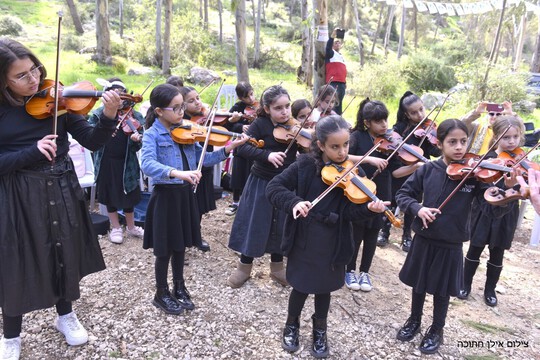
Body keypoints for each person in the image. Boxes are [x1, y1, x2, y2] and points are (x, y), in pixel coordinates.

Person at [0, 38, 121, 359]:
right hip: (18, 193)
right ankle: (11, 334)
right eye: (22, 76)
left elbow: (93, 141)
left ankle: (65, 315)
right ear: (3, 80)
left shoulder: (59, 100)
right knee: (16, 259)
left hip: (61, 185)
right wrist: (30, 152)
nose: (34, 79)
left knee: (63, 249)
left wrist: (108, 115)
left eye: (35, 69)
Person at [266, 115, 387, 358]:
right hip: (305, 237)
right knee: (300, 286)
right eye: (335, 146)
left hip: (335, 238)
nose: (342, 152)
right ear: (320, 144)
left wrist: (368, 209)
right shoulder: (304, 165)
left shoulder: (354, 171)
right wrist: (295, 202)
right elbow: (274, 188)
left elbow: (351, 213)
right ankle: (292, 324)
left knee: (324, 289)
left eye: (346, 146)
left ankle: (320, 329)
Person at [395, 119, 513, 354]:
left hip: (451, 243)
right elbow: (403, 194)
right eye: (452, 142)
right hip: (425, 238)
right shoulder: (428, 169)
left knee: (441, 291)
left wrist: (507, 195)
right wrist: (418, 209)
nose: (459, 147)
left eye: (463, 141)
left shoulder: (474, 176)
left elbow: (491, 208)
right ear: (440, 144)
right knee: (418, 286)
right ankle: (414, 320)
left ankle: (437, 328)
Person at [140, 84, 247, 315]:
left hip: (184, 196)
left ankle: (179, 286)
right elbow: (147, 164)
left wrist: (228, 149)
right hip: (166, 197)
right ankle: (161, 292)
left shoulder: (187, 130)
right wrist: (177, 173)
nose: (181, 113)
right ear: (159, 111)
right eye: (176, 108)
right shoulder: (152, 135)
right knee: (164, 249)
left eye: (182, 107)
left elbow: (204, 159)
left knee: (180, 245)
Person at [227, 85, 297, 289]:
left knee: (281, 225)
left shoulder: (295, 126)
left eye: (287, 106)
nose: (284, 112)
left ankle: (277, 268)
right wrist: (266, 155)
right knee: (255, 223)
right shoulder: (260, 124)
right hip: (262, 182)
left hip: (285, 184)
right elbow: (243, 148)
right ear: (267, 109)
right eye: (278, 108)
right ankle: (244, 268)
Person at [345, 99, 418, 292]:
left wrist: (415, 167)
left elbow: (395, 173)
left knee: (372, 233)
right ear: (367, 122)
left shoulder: (390, 142)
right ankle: (350, 269)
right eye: (378, 121)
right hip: (359, 189)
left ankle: (365, 272)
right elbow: (343, 158)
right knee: (357, 232)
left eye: (385, 120)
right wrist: (368, 159)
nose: (385, 125)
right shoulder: (356, 137)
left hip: (382, 190)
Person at [457, 116, 521, 306]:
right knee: (475, 248)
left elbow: (522, 190)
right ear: (496, 136)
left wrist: (512, 186)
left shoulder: (520, 162)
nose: (511, 141)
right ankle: (464, 283)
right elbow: (479, 186)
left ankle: (490, 289)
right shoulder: (486, 159)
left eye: (515, 137)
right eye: (506, 137)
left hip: (507, 212)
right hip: (483, 210)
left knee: (498, 251)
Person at [378, 91, 441, 252]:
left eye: (421, 109)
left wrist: (435, 140)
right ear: (406, 114)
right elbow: (392, 146)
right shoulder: (399, 128)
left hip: (420, 172)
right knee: (393, 200)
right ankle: (385, 231)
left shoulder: (428, 127)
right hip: (402, 167)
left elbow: (435, 152)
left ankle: (407, 235)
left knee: (412, 202)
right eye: (414, 112)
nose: (420, 114)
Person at [88, 77, 145, 244]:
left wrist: (136, 140)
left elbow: (141, 141)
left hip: (127, 162)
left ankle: (131, 227)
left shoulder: (136, 115)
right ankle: (115, 228)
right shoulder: (99, 114)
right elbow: (90, 135)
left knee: (129, 195)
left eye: (122, 96)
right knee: (109, 194)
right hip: (106, 161)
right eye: (114, 95)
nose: (119, 100)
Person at [178, 86, 213, 252]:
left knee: (198, 205)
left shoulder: (204, 116)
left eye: (198, 98)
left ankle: (196, 235)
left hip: (204, 166)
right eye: (191, 101)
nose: (197, 103)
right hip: (188, 169)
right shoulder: (180, 122)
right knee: (186, 205)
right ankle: (183, 237)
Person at [224, 81, 257, 216]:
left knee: (252, 173)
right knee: (238, 173)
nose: (251, 99)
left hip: (255, 145)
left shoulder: (259, 106)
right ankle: (236, 202)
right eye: (247, 97)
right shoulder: (237, 108)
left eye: (252, 94)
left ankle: (249, 202)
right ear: (240, 98)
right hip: (240, 146)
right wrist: (239, 126)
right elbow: (227, 126)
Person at [325, 28, 346, 115]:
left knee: (339, 104)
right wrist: (332, 36)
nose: (337, 43)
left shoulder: (341, 56)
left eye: (339, 42)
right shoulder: (331, 53)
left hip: (341, 84)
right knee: (332, 104)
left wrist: (345, 83)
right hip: (333, 82)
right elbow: (328, 47)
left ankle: (338, 122)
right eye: (335, 42)